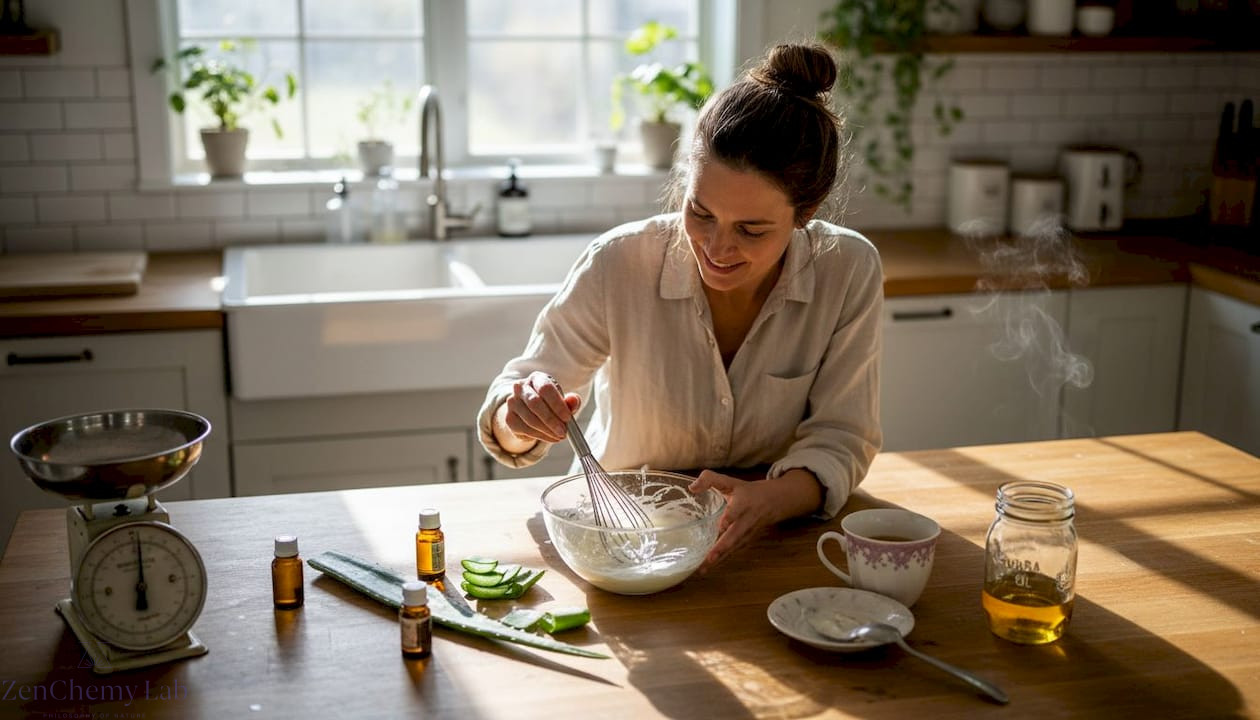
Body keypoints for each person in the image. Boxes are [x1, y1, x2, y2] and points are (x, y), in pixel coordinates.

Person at [477, 42, 883, 572]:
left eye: (751, 230)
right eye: (700, 211)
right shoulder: (619, 263)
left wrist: (774, 498)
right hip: (621, 539)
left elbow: (843, 436)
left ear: (804, 213)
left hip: (773, 543)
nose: (716, 247)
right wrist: (522, 413)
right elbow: (514, 407)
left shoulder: (847, 269)